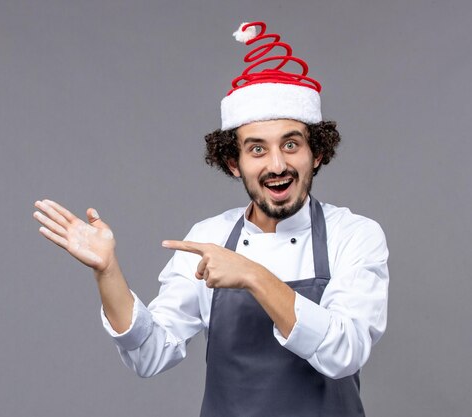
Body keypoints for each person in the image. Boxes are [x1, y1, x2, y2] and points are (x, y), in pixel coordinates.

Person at [33, 20, 388, 417]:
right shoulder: (210, 236)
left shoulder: (353, 236)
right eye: (256, 149)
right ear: (232, 163)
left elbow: (344, 353)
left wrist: (252, 275)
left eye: (291, 144)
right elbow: (150, 355)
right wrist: (107, 272)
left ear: (317, 153)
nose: (277, 165)